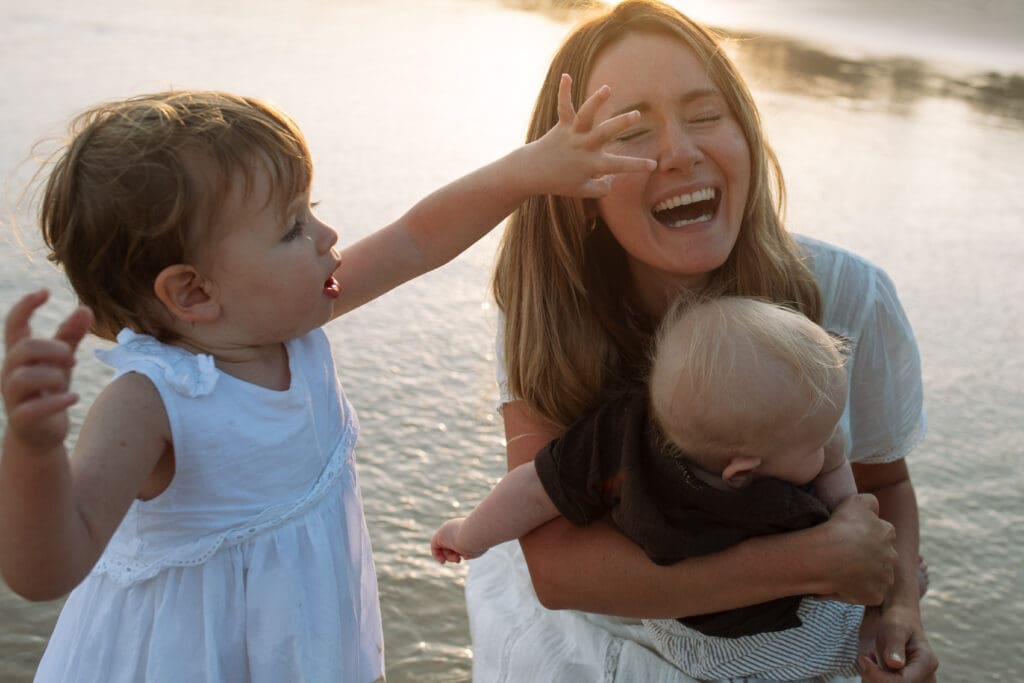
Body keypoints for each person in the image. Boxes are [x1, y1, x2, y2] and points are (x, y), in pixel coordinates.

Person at [0, 83, 655, 682]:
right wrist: (33, 451)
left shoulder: (294, 322)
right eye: (292, 227)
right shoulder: (149, 403)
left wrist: (530, 170)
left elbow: (416, 239)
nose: (327, 234)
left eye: (309, 208)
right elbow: (48, 569)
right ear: (194, 291)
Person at [464, 1, 938, 681]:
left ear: (746, 132)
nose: (680, 152)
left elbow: (884, 482)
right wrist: (808, 562)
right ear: (572, 180)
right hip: (592, 655)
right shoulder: (552, 307)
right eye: (630, 128)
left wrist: (897, 612)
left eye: (706, 114)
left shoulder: (849, 294)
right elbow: (559, 566)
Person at [434, 295, 862, 679]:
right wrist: (855, 526)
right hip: (756, 640)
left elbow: (531, 488)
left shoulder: (617, 435)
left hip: (670, 625)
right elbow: (844, 520)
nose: (833, 445)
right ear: (741, 473)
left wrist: (468, 534)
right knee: (855, 639)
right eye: (817, 443)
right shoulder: (770, 504)